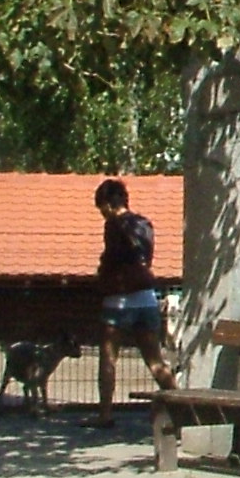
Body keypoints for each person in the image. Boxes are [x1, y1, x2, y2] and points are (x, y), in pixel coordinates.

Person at [91, 177, 178, 417]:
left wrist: (102, 273)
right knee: (155, 361)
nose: (102, 214)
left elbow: (112, 258)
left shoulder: (113, 225)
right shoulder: (144, 224)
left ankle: (105, 415)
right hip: (146, 297)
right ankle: (182, 409)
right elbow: (145, 259)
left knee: (108, 358)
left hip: (118, 299)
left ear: (108, 203)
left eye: (102, 209)